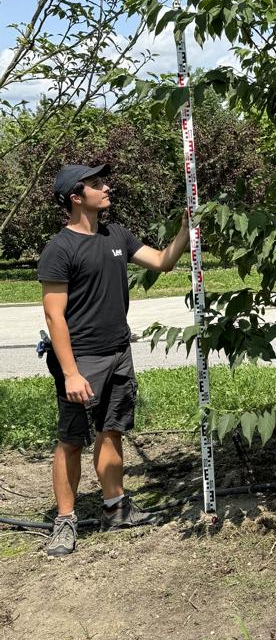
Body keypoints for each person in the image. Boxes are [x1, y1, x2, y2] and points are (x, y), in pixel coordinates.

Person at [37, 163, 192, 557]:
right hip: (81, 360)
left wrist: (186, 229)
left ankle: (115, 508)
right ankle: (65, 522)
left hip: (119, 353)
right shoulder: (60, 248)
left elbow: (162, 262)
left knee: (111, 431)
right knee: (71, 442)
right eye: (97, 184)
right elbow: (54, 316)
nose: (106, 187)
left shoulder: (115, 234)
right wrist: (70, 372)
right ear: (76, 196)